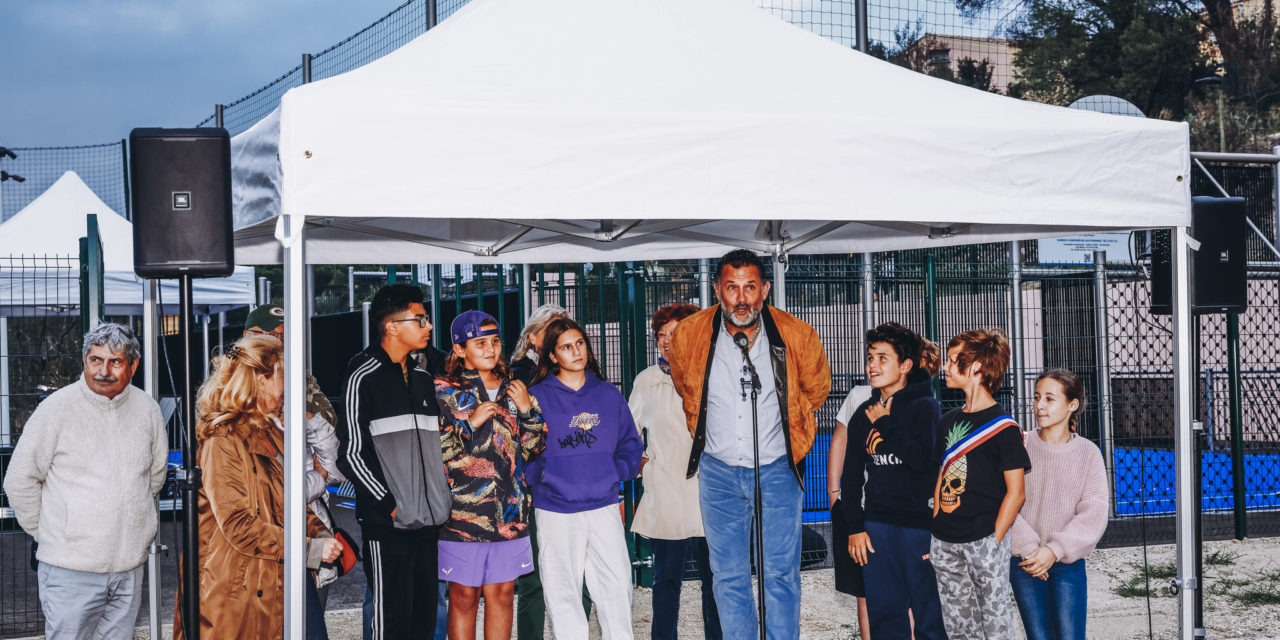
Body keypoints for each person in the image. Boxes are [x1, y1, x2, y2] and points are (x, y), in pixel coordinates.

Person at [668, 249, 831, 640]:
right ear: (717, 290)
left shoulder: (798, 335)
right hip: (718, 472)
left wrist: (793, 425)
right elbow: (684, 384)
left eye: (750, 288)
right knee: (727, 576)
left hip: (778, 468)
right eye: (732, 288)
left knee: (781, 573)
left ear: (765, 290)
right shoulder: (689, 334)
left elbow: (817, 389)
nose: (741, 299)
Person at [5, 323, 168, 640]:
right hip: (70, 572)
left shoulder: (147, 409)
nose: (103, 370)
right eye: (96, 359)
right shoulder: (56, 409)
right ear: (84, 360)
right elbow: (19, 480)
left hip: (129, 570)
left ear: (132, 366)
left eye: (115, 361)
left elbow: (155, 475)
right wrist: (54, 533)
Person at [175, 335, 342, 639]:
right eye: (285, 378)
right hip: (243, 587)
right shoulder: (222, 439)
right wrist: (310, 548)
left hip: (282, 571)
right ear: (263, 379)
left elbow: (287, 499)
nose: (291, 389)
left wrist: (317, 529)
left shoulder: (271, 430)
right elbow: (238, 525)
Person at [338, 284, 452, 639]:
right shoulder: (362, 374)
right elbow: (351, 452)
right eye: (419, 319)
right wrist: (390, 505)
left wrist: (439, 500)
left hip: (430, 523)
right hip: (388, 526)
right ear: (391, 326)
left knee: (423, 621)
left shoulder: (422, 377)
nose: (428, 326)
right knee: (391, 622)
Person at [527, 317, 644, 640]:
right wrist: (542, 475)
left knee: (617, 590)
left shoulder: (607, 394)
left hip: (603, 505)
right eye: (566, 347)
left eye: (580, 343)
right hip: (555, 510)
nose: (576, 351)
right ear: (552, 356)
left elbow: (631, 445)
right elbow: (521, 450)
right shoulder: (537, 397)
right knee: (563, 594)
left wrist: (615, 472)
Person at [435, 310, 547, 640]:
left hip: (510, 514)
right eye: (480, 342)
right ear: (459, 349)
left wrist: (527, 410)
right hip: (462, 518)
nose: (490, 349)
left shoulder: (515, 389)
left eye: (495, 341)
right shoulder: (444, 392)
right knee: (463, 597)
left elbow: (534, 447)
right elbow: (435, 453)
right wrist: (468, 426)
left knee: (501, 595)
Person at [841, 323, 947, 639]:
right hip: (877, 529)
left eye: (883, 358)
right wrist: (855, 527)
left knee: (930, 617)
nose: (873, 365)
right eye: (870, 357)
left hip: (919, 528)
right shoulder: (863, 412)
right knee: (885, 617)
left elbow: (923, 464)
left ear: (905, 366)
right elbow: (850, 476)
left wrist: (885, 423)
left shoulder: (926, 407)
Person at [242, 304, 345, 624]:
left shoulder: (301, 379)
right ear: (249, 336)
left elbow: (329, 439)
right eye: (275, 336)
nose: (282, 344)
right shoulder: (230, 387)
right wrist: (317, 477)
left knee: (310, 619)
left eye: (287, 337)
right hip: (257, 534)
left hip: (308, 524)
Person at [930, 328, 1030, 640]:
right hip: (945, 540)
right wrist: (935, 523)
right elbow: (941, 474)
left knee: (996, 626)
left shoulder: (1004, 427)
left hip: (985, 539)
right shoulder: (948, 420)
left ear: (976, 367)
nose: (945, 367)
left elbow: (1017, 493)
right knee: (958, 627)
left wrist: (994, 540)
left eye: (952, 360)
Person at [629, 303, 721, 640]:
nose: (667, 341)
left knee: (716, 579)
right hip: (666, 494)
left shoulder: (711, 376)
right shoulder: (646, 381)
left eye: (675, 333)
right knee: (666, 581)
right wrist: (642, 466)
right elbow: (627, 432)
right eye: (661, 335)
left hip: (710, 493)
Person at [508, 303, 589, 640]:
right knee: (535, 579)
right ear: (533, 337)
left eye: (565, 328)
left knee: (579, 573)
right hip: (534, 490)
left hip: (575, 486)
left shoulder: (576, 376)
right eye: (553, 329)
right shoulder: (517, 377)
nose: (561, 335)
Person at [1009, 369, 1108, 640]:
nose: (1039, 405)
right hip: (1025, 561)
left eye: (1050, 399)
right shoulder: (1019, 444)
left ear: (1072, 405)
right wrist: (1031, 551)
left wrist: (1053, 550)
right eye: (1037, 397)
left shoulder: (1088, 453)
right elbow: (1002, 499)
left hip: (1068, 563)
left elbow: (1095, 511)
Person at [828, 383, 872, 640]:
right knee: (864, 595)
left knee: (907, 597)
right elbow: (840, 439)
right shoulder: (858, 395)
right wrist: (834, 494)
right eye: (871, 356)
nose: (873, 364)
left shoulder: (920, 400)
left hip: (895, 513)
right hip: (857, 509)